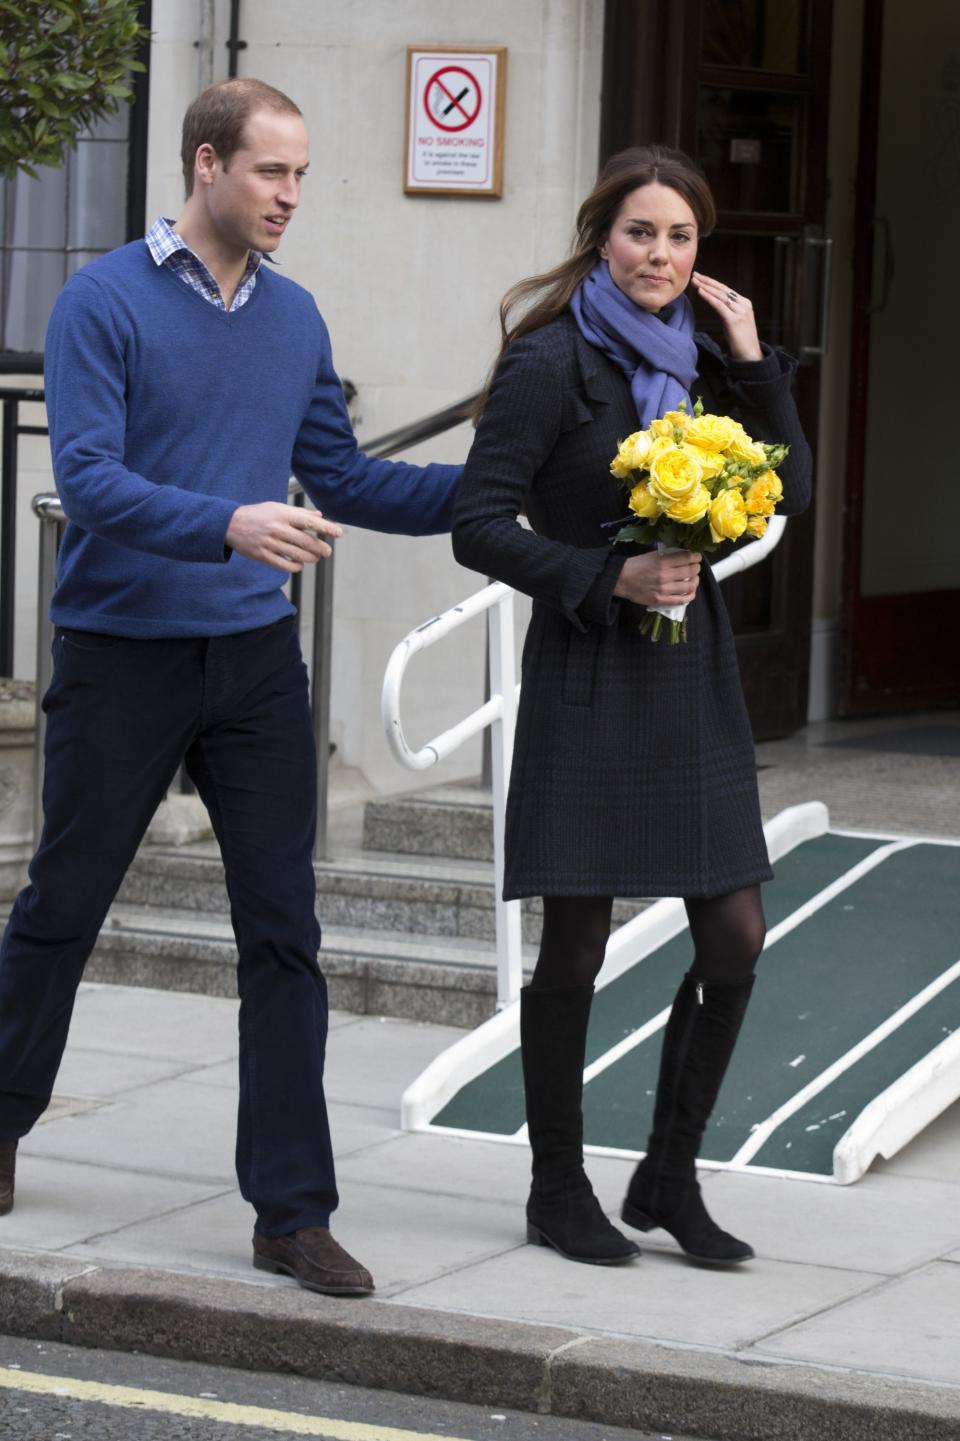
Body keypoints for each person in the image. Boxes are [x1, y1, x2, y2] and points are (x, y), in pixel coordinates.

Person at [0, 78, 461, 1298]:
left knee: (285, 935)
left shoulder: (296, 318)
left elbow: (346, 478)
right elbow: (89, 481)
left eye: (302, 175)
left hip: (254, 661)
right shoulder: (102, 300)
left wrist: (497, 489)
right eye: (272, 173)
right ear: (207, 164)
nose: (291, 196)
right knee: (63, 904)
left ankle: (292, 1213)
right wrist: (231, 522)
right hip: (120, 651)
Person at [452, 145, 811, 1268]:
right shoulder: (550, 361)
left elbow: (783, 490)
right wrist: (603, 576)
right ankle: (557, 1187)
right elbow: (479, 520)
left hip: (688, 671)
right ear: (600, 235)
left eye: (681, 238)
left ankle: (667, 1175)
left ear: (702, 254)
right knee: (576, 945)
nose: (660, 255)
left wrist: (754, 360)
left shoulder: (709, 356)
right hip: (592, 663)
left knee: (736, 930)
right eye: (640, 233)